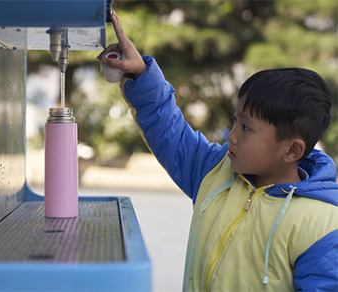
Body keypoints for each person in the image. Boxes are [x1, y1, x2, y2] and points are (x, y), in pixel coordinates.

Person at [98, 11, 338, 291]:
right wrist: (140, 74)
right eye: (236, 121)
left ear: (291, 150)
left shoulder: (323, 225)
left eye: (246, 128)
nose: (232, 136)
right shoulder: (214, 169)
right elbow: (169, 131)